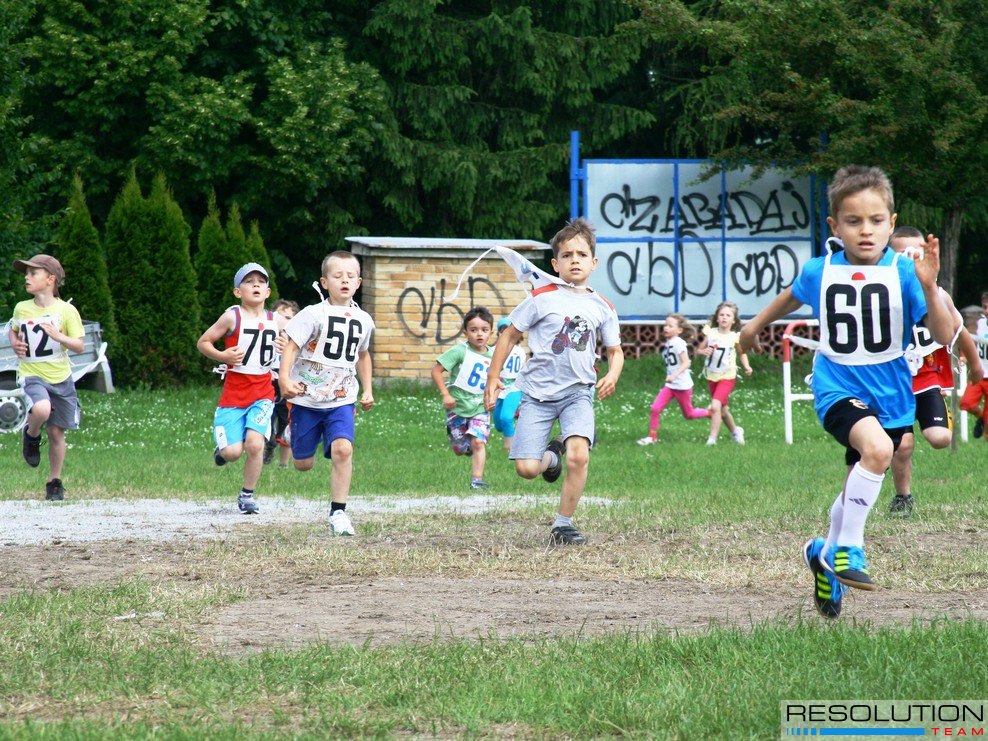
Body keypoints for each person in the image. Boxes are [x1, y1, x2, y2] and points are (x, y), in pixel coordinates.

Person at [739, 165, 954, 620]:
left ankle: (824, 552)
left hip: (890, 391)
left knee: (865, 468)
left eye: (876, 221)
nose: (866, 230)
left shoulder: (906, 273)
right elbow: (789, 297)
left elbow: (942, 333)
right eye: (854, 221)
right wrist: (752, 328)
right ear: (835, 226)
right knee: (877, 450)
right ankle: (849, 550)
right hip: (836, 383)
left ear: (892, 224)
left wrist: (931, 288)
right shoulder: (821, 270)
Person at [485, 217, 624, 545]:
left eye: (581, 254)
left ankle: (563, 524)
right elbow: (509, 336)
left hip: (578, 393)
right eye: (566, 255)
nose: (574, 260)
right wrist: (493, 377)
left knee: (579, 455)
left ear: (593, 262)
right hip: (537, 395)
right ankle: (552, 458)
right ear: (555, 264)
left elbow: (615, 351)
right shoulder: (541, 297)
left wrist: (612, 374)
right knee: (527, 469)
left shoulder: (603, 307)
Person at [888, 227, 982, 517]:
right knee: (903, 446)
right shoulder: (884, 295)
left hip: (927, 378)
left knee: (940, 438)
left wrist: (975, 364)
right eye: (902, 255)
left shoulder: (939, 295)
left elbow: (960, 330)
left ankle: (941, 414)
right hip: (893, 382)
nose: (910, 259)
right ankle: (902, 496)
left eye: (915, 253)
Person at [279, 251, 375, 536]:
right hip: (306, 398)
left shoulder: (363, 319)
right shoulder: (312, 314)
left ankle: (339, 512)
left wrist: (368, 389)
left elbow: (363, 354)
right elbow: (292, 347)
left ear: (358, 283)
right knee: (303, 464)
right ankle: (293, 433)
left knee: (343, 449)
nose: (344, 281)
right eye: (337, 276)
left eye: (350, 276)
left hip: (341, 399)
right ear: (324, 282)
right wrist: (284, 378)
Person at [197, 262, 286, 515]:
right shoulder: (232, 316)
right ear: (238, 292)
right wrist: (223, 355)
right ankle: (222, 450)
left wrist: (286, 345)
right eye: (249, 282)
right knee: (233, 452)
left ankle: (247, 495)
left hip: (263, 393)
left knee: (255, 445)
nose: (255, 285)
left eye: (261, 282)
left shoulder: (277, 320)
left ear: (268, 292)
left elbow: (294, 345)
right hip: (234, 394)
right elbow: (203, 342)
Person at [8, 254, 84, 502]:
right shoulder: (22, 308)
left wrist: (59, 337)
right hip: (32, 374)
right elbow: (13, 329)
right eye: (26, 274)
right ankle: (31, 434)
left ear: (50, 279)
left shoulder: (66, 311)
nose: (27, 278)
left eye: (33, 273)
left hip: (61, 378)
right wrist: (15, 344)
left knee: (56, 433)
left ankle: (54, 482)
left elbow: (79, 346)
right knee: (41, 409)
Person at [432, 307, 495, 490]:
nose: (479, 334)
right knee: (459, 449)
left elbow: (499, 381)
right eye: (473, 330)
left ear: (491, 332)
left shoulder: (494, 355)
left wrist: (493, 398)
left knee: (478, 441)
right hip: (457, 407)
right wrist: (446, 394)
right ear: (465, 333)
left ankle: (477, 480)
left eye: (484, 330)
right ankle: (463, 446)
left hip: (480, 407)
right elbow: (436, 371)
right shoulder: (460, 351)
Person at [636, 313, 710, 445]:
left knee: (689, 414)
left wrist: (674, 375)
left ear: (679, 330)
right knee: (655, 409)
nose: (666, 328)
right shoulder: (669, 343)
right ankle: (652, 437)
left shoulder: (678, 343)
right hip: (670, 386)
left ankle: (710, 412)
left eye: (670, 326)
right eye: (665, 325)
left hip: (682, 386)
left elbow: (686, 363)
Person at [697, 301, 752, 446]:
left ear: (733, 320)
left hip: (727, 376)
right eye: (721, 315)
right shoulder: (711, 333)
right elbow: (699, 350)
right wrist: (704, 351)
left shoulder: (734, 337)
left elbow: (742, 353)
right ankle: (736, 432)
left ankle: (712, 439)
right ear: (717, 318)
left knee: (715, 406)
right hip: (712, 375)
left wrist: (747, 366)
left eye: (728, 315)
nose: (724, 317)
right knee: (723, 409)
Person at [264, 298, 299, 469]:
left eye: (290, 318)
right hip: (268, 382)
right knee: (266, 420)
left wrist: (288, 349)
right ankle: (268, 444)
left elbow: (302, 363)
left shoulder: (297, 340)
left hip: (288, 383)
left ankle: (283, 465)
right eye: (282, 316)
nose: (286, 321)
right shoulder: (264, 334)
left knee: (287, 424)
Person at [492, 317, 526, 452]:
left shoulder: (520, 351)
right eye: (502, 330)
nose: (505, 334)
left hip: (514, 388)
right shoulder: (493, 350)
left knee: (506, 417)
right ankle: (511, 424)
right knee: (498, 423)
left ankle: (509, 446)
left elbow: (524, 369)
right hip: (498, 388)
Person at [960, 291, 988, 440]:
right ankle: (981, 418)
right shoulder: (981, 323)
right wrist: (966, 356)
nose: (986, 311)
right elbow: (972, 341)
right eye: (985, 307)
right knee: (966, 403)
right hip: (980, 372)